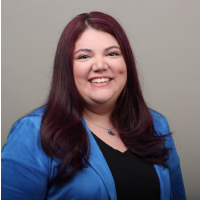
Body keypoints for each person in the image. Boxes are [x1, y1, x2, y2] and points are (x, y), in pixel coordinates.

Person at [1, 12, 186, 200]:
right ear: (67, 68)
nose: (99, 65)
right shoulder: (33, 133)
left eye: (112, 53)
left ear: (127, 62)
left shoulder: (155, 125)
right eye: (84, 57)